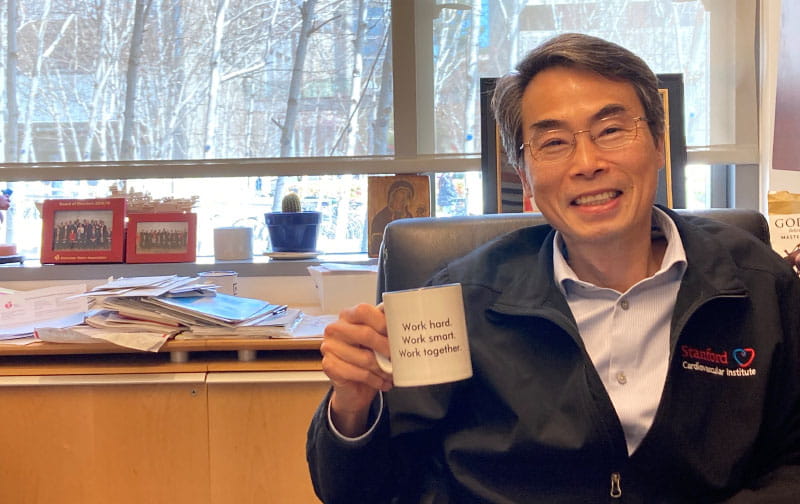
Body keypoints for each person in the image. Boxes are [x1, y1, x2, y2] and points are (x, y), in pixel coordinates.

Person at [307, 33, 800, 502]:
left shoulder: (758, 286)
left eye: (611, 130)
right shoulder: (461, 301)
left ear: (657, 143)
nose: (587, 163)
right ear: (524, 173)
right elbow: (364, 490)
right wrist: (353, 406)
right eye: (553, 143)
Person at [369, 179, 415, 256]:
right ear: (391, 199)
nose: (401, 204)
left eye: (404, 200)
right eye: (398, 200)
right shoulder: (380, 218)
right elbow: (377, 247)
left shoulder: (409, 217)